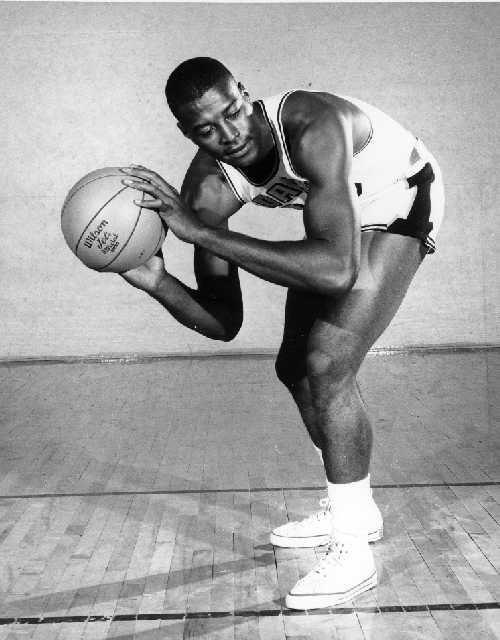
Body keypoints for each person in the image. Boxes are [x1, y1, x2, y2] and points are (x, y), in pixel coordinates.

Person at [119, 57, 445, 610]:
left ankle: (352, 549)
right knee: (293, 367)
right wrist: (158, 282)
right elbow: (222, 322)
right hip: (340, 224)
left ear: (246, 95)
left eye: (233, 112)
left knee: (327, 364)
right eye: (206, 129)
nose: (229, 134)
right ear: (186, 134)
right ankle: (354, 507)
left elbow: (337, 270)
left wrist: (201, 234)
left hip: (399, 194)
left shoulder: (312, 123)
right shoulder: (206, 191)